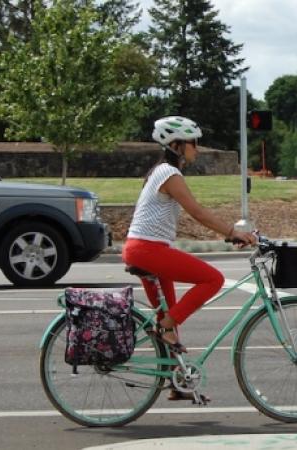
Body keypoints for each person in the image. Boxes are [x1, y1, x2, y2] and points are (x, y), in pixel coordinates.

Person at [123, 116, 257, 400]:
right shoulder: (168, 174)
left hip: (145, 248)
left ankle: (176, 382)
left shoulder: (160, 172)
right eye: (193, 143)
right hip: (148, 250)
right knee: (212, 279)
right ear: (175, 145)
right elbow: (196, 211)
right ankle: (166, 327)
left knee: (169, 314)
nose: (197, 148)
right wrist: (233, 232)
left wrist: (228, 233)